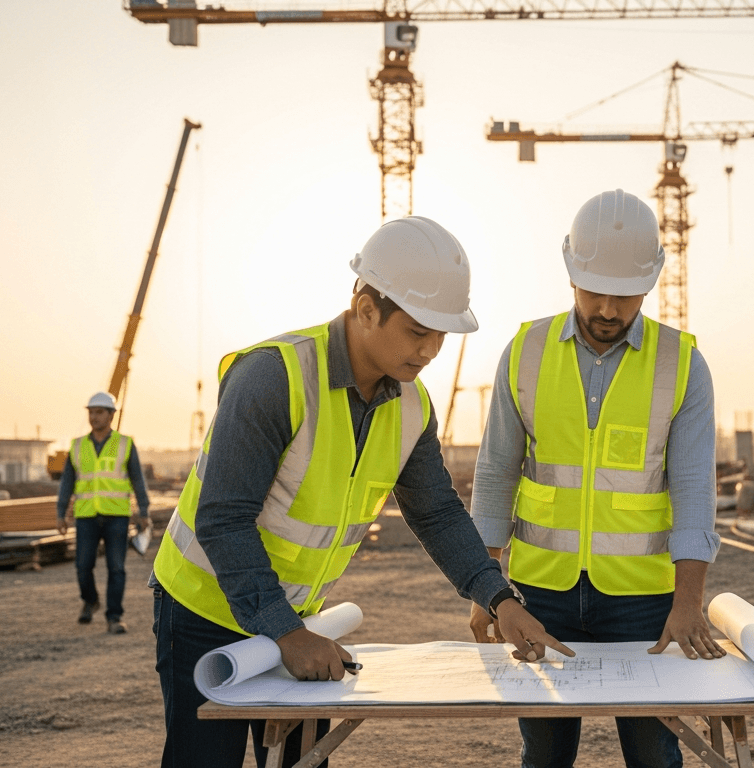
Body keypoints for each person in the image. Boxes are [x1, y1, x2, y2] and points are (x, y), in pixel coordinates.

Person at [151, 217, 571, 768]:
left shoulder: (412, 406)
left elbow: (437, 512)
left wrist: (499, 598)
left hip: (300, 618)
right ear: (366, 308)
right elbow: (223, 519)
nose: (431, 350)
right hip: (204, 613)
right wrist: (286, 634)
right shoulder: (273, 378)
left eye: (442, 335)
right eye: (419, 332)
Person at [469, 189, 725, 768]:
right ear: (570, 272)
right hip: (541, 594)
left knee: (655, 756)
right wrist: (488, 589)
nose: (609, 309)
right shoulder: (525, 351)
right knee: (545, 755)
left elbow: (692, 492)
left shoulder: (681, 363)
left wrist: (689, 601)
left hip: (644, 599)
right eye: (595, 290)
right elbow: (495, 476)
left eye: (626, 295)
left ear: (649, 283)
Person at [56, 391, 151, 634]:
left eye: (99, 412)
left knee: (116, 568)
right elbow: (67, 481)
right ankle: (90, 600)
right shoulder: (77, 446)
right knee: (82, 566)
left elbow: (137, 479)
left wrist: (143, 510)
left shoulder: (125, 444)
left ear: (111, 415)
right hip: (86, 515)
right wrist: (61, 513)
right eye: (91, 412)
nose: (94, 417)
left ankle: (114, 617)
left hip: (116, 516)